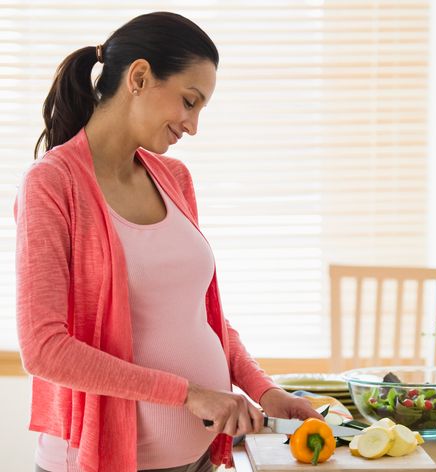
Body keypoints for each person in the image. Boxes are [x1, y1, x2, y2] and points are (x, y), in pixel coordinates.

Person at [15, 12, 322, 472]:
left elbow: (203, 317)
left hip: (199, 457)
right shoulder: (53, 185)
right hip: (107, 461)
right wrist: (189, 394)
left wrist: (263, 389)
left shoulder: (173, 178)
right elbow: (44, 349)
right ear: (139, 77)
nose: (193, 126)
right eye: (189, 101)